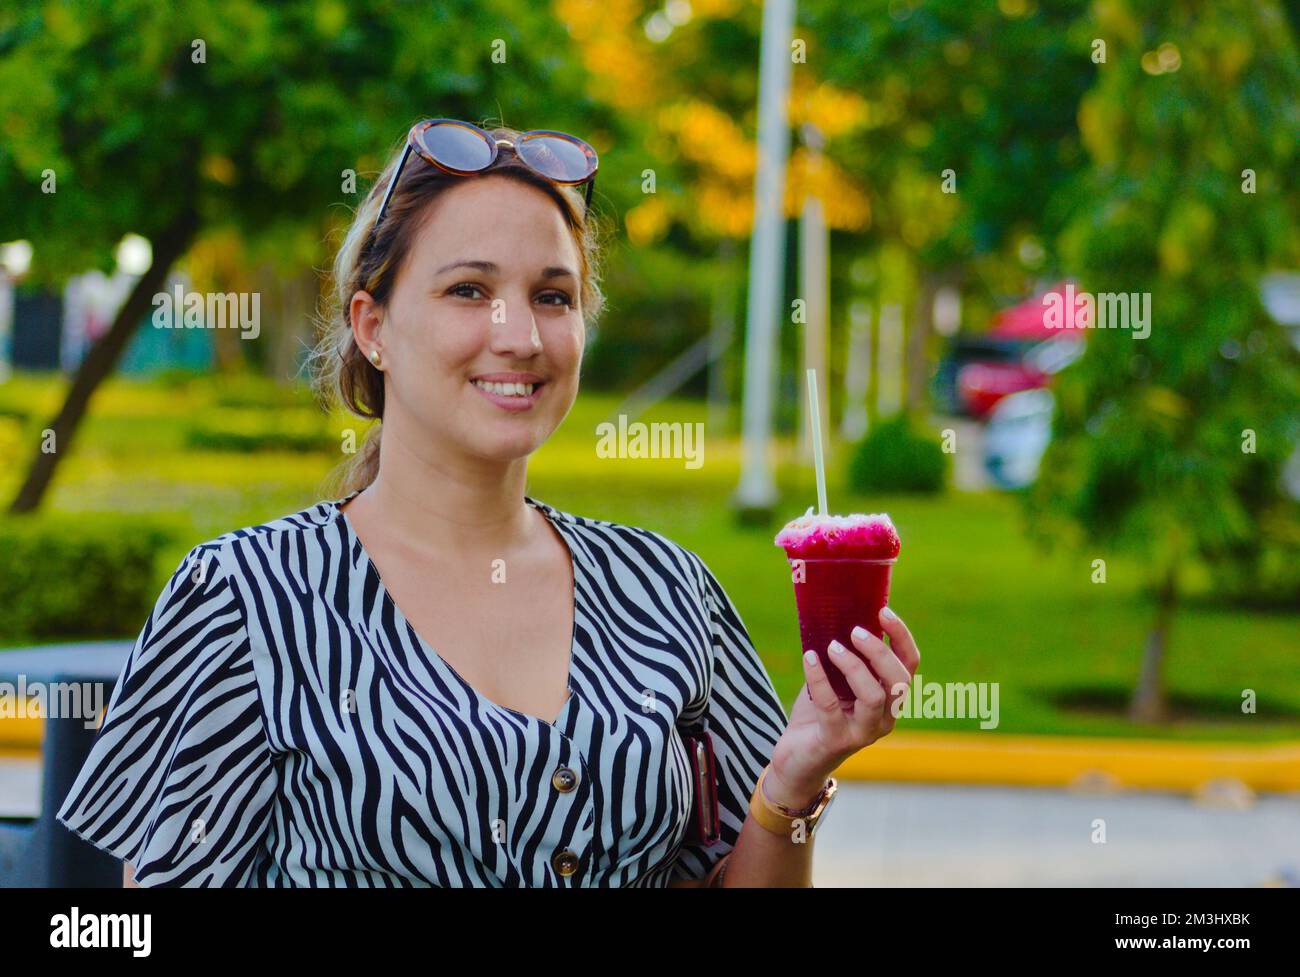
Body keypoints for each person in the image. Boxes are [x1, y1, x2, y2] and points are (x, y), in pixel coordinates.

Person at [56, 118, 920, 887]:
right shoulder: (243, 600)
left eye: (554, 295)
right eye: (469, 289)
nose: (522, 335)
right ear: (373, 327)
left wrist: (792, 784)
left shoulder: (671, 592)